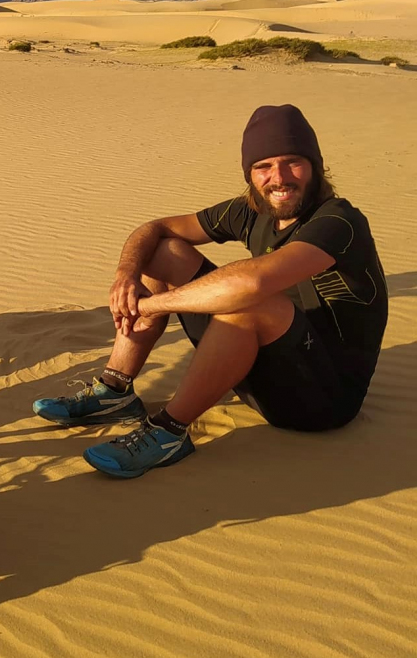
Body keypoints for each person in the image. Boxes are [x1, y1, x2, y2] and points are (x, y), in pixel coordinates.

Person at [32, 104, 388, 479]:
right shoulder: (253, 210)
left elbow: (253, 284)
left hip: (321, 401)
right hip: (261, 375)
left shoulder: (338, 222)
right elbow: (155, 228)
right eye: (263, 167)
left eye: (292, 162)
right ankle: (114, 390)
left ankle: (168, 432)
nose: (279, 178)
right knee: (163, 251)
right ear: (250, 174)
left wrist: (153, 305)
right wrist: (126, 273)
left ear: (315, 165)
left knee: (249, 299)